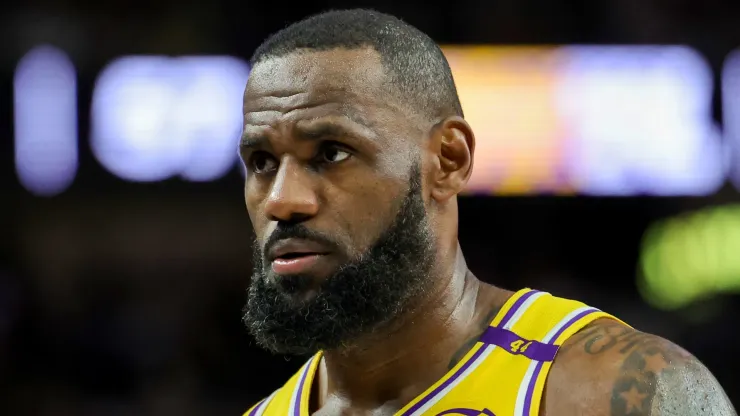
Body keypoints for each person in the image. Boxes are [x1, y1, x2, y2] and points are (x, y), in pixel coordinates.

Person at [239, 8, 735, 416]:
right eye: (261, 162)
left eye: (331, 153)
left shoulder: (615, 390)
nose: (283, 200)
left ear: (448, 161)